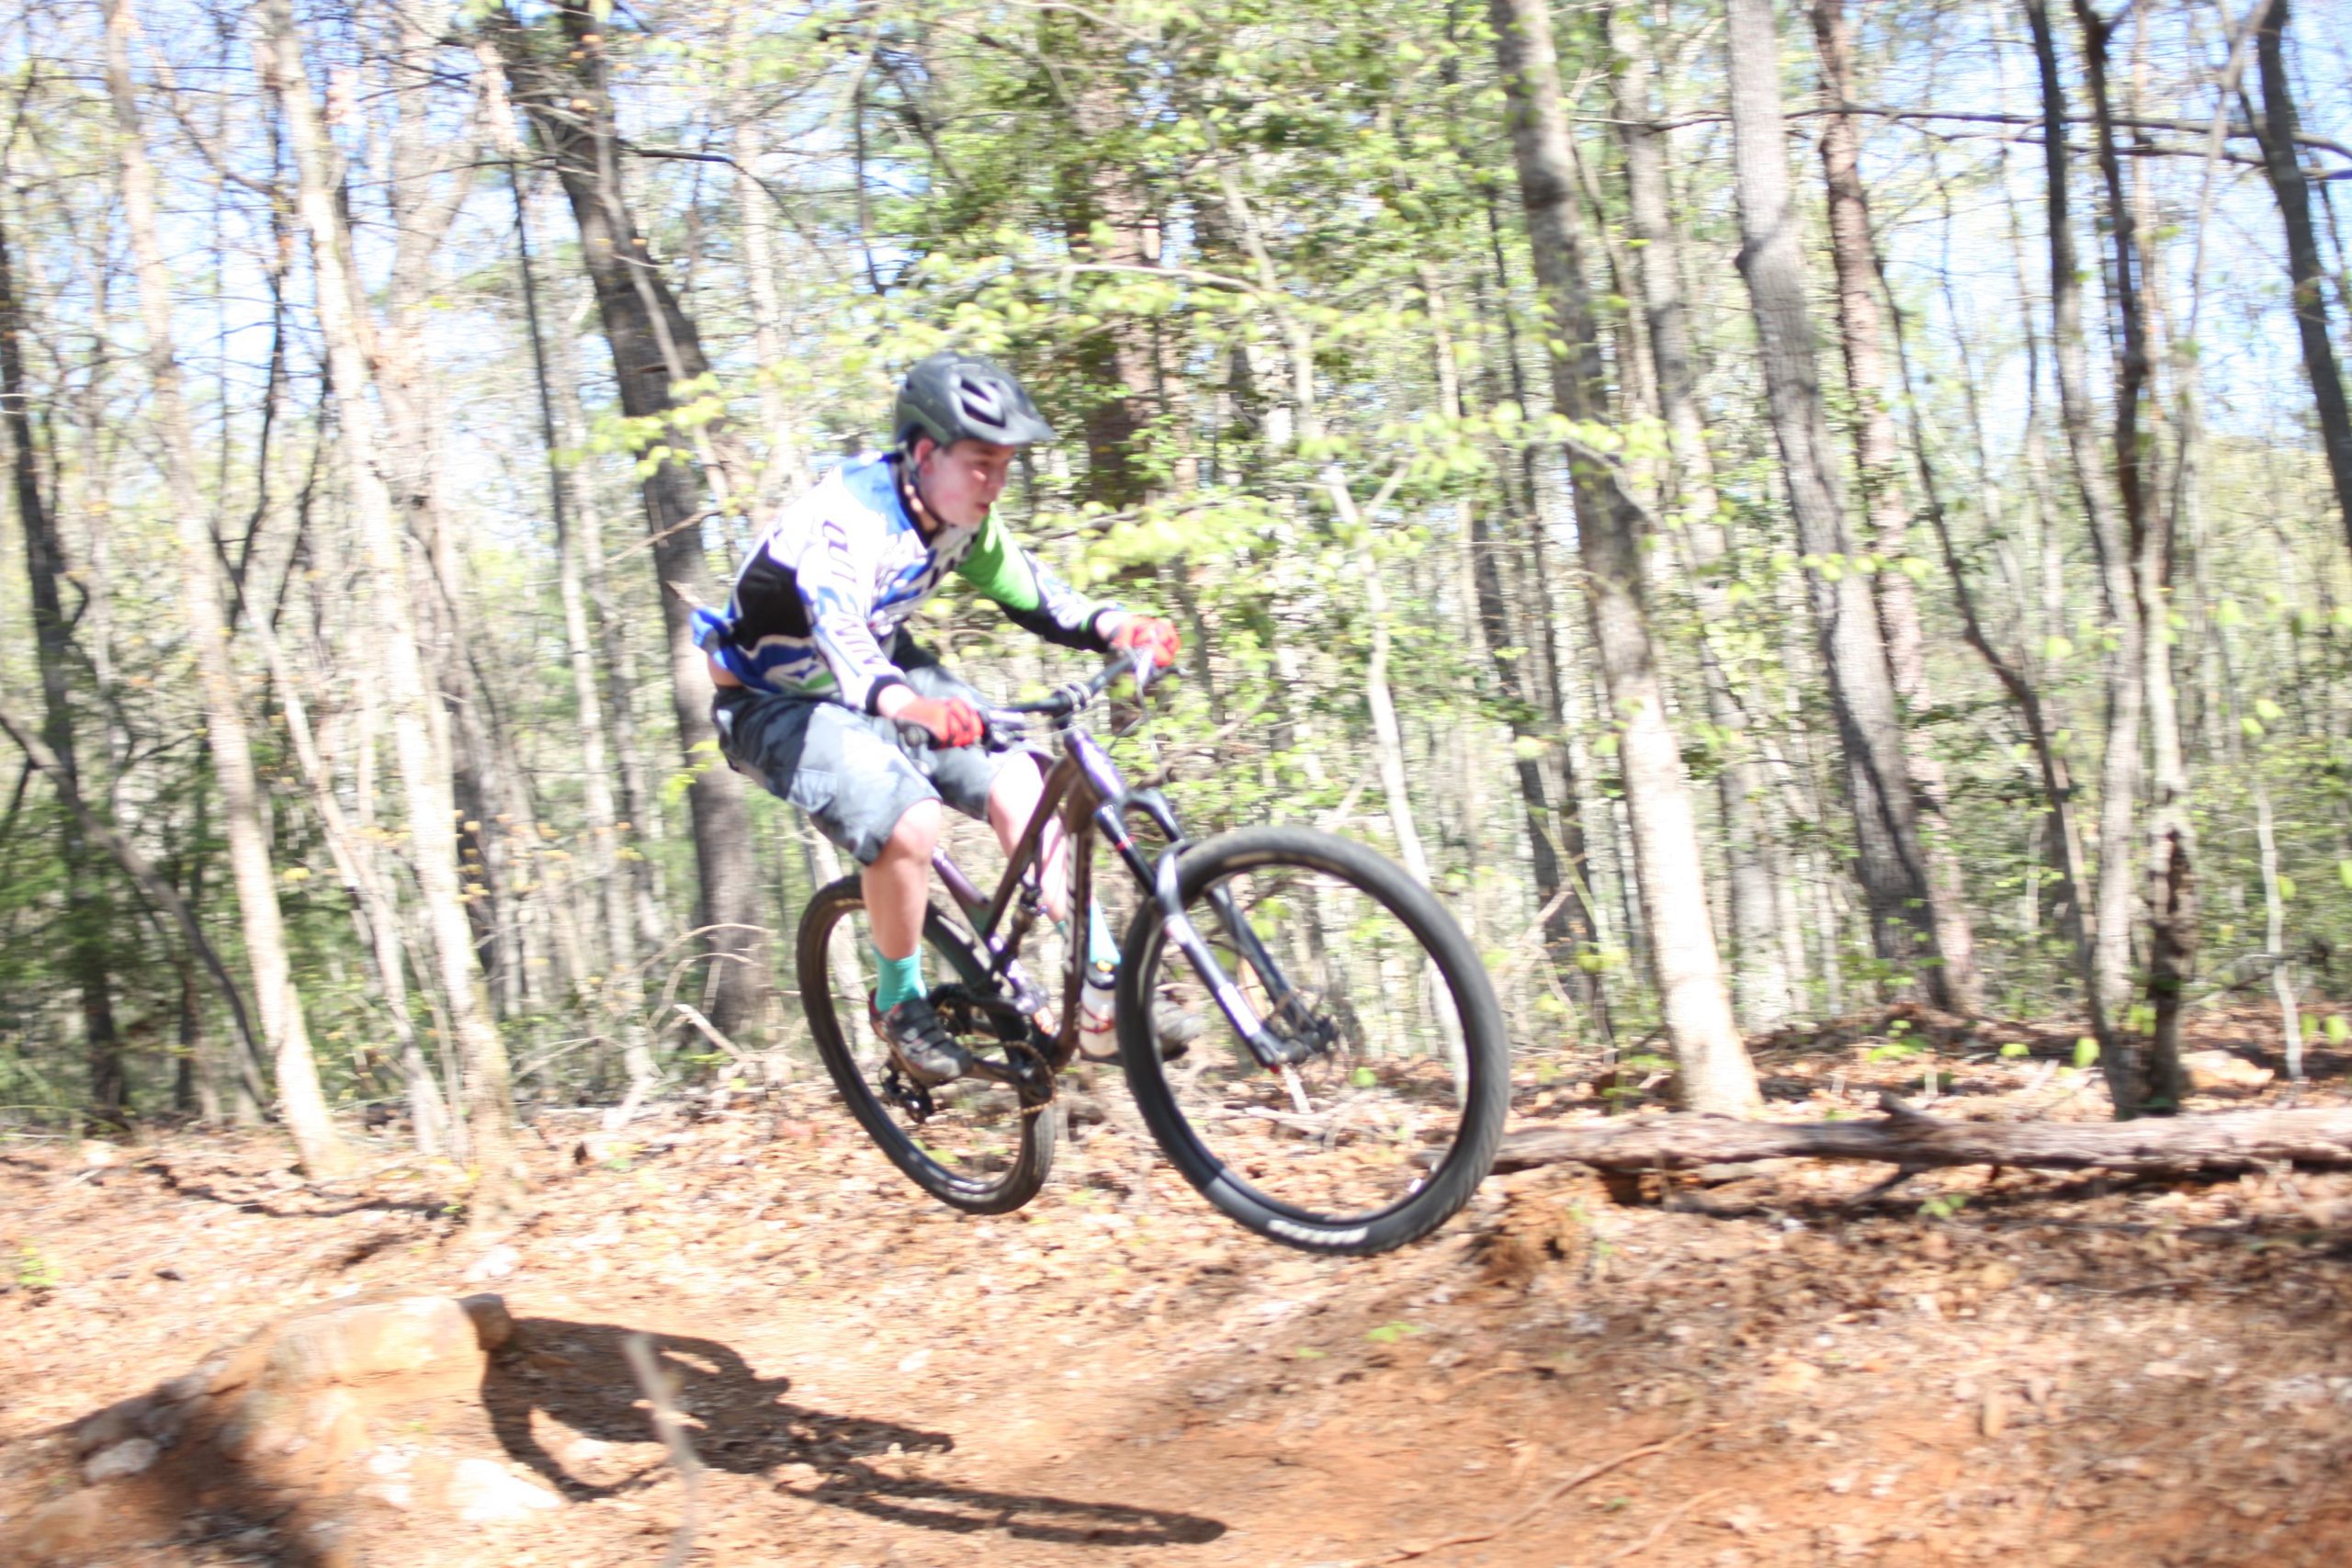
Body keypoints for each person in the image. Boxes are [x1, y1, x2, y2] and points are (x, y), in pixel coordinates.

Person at [695, 352, 1183, 1088]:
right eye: (981, 463)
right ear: (924, 454)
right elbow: (843, 636)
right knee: (910, 819)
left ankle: (1101, 988)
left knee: (1021, 780)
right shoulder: (847, 520)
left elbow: (1038, 596)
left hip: (884, 666)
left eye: (1006, 465)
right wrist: (910, 707)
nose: (996, 482)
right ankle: (898, 1002)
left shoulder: (961, 519)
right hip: (773, 700)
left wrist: (1119, 625)